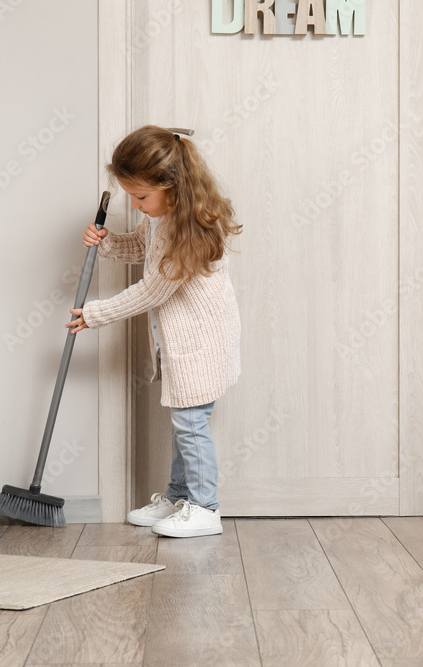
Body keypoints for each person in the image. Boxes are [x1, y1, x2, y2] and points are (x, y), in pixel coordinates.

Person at [67, 125, 242, 538]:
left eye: (141, 196)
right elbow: (141, 251)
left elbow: (153, 289)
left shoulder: (193, 228)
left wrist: (96, 314)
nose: (135, 204)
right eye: (130, 194)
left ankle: (205, 508)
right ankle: (181, 496)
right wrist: (106, 243)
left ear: (171, 185)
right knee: (185, 424)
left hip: (201, 343)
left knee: (191, 425)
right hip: (179, 342)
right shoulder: (162, 218)